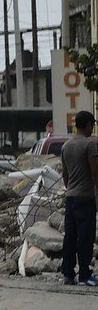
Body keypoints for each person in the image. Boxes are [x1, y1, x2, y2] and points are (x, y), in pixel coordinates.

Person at [58, 110, 98, 285]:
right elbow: (95, 173)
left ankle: (68, 274)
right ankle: (84, 274)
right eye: (93, 125)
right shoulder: (89, 145)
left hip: (71, 197)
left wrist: (70, 189)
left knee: (70, 236)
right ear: (88, 124)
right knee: (86, 236)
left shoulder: (66, 146)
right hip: (86, 197)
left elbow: (65, 175)